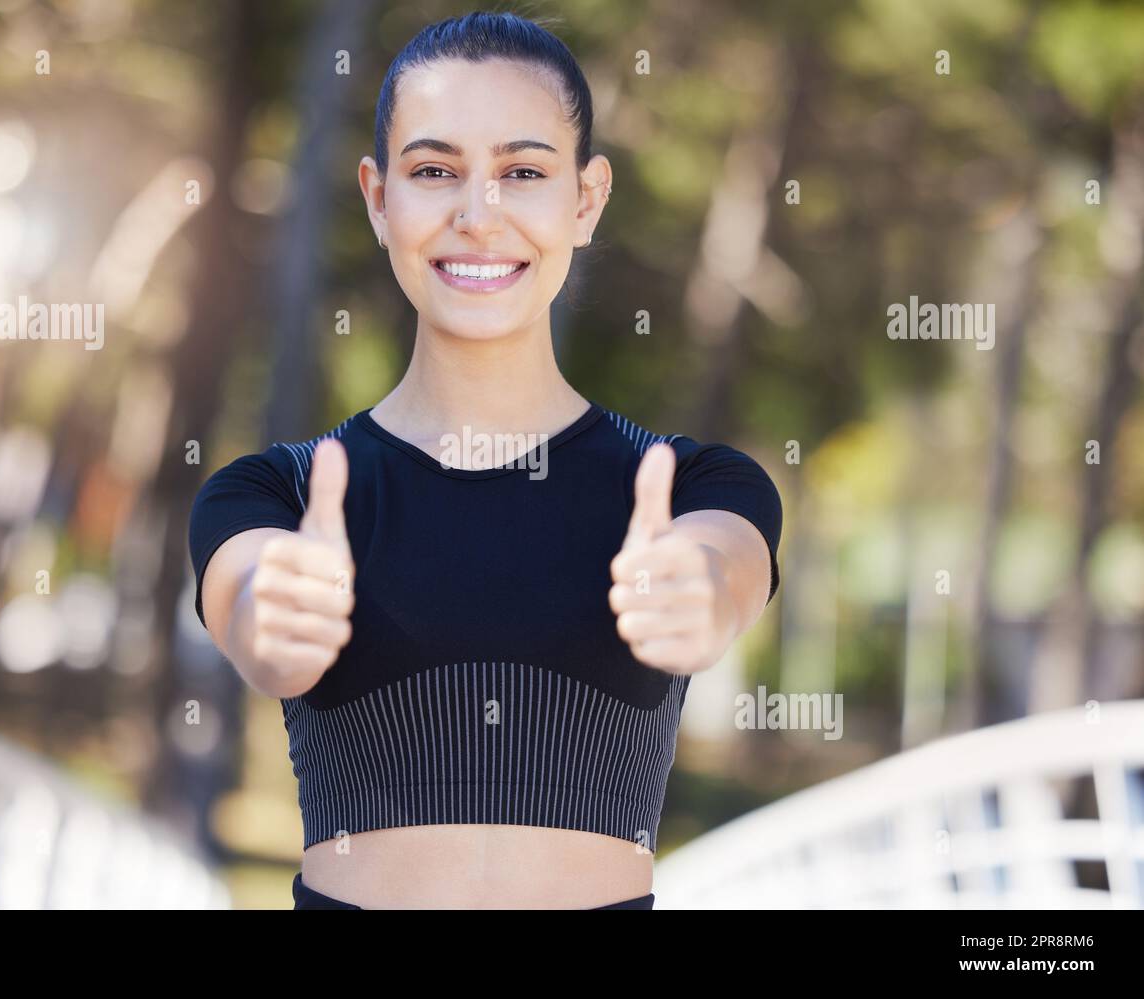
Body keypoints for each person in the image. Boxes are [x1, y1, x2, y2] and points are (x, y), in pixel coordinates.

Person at [188, 10, 782, 910]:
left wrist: (703, 589)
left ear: (585, 201)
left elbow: (727, 565)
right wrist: (267, 616)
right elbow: (246, 600)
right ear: (379, 196)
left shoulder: (696, 487)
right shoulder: (275, 493)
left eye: (523, 172)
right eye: (434, 171)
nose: (478, 215)